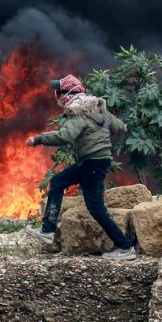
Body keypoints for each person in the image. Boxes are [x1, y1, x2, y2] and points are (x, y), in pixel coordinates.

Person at [24, 74, 137, 261]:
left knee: (96, 208)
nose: (57, 96)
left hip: (92, 163)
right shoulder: (100, 109)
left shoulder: (78, 112)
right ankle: (47, 230)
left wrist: (38, 139)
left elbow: (65, 136)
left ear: (68, 94)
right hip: (93, 162)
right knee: (58, 182)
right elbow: (120, 128)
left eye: (59, 92)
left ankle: (125, 247)